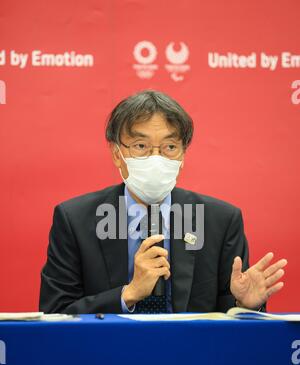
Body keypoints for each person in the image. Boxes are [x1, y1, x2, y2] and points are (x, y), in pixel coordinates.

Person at [39, 90, 287, 314]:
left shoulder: (220, 221)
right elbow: (56, 311)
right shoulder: (74, 219)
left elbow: (227, 315)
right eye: (141, 146)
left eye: (169, 146)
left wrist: (244, 304)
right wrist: (128, 294)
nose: (155, 158)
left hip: (192, 356)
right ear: (117, 154)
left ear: (183, 155)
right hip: (109, 355)